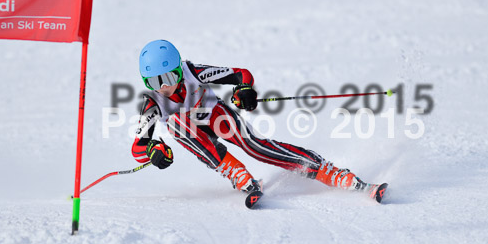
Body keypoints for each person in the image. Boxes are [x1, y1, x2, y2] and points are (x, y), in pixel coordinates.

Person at [132, 40, 387, 207]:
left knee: (256, 147)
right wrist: (153, 150)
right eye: (153, 82)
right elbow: (138, 147)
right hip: (194, 136)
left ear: (178, 70)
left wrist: (244, 90)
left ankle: (329, 172)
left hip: (215, 116)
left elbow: (240, 74)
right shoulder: (153, 104)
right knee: (176, 125)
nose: (163, 87)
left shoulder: (193, 71)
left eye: (167, 77)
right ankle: (236, 173)